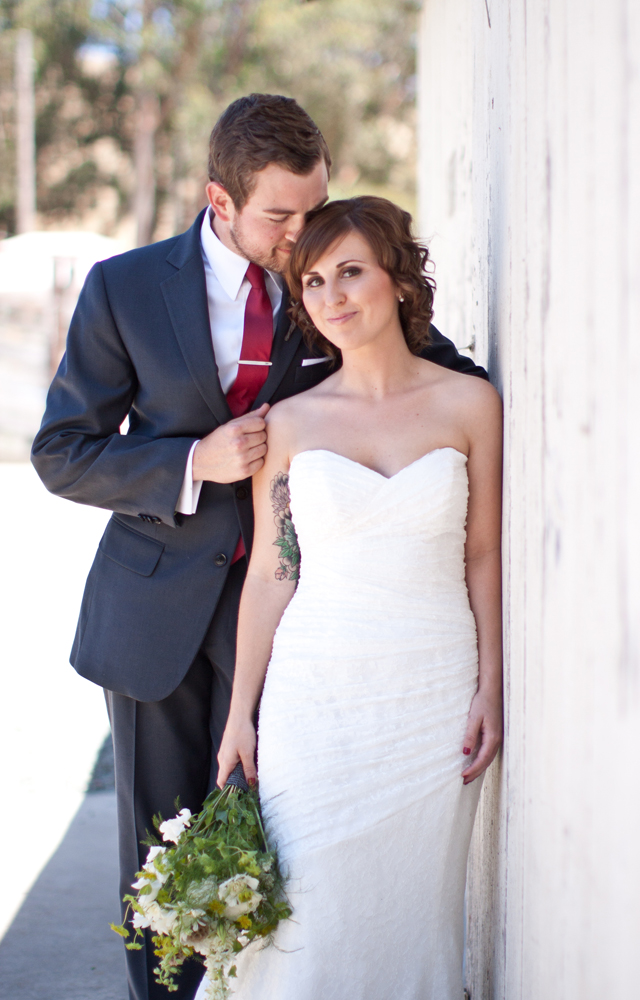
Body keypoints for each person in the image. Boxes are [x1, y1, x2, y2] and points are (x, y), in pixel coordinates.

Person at [31, 95, 488, 1000]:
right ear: (220, 201)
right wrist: (188, 462)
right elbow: (62, 452)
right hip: (156, 610)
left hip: (306, 617)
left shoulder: (326, 272)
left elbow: (429, 371)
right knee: (168, 849)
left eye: (312, 209)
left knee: (282, 836)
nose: (299, 238)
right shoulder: (124, 288)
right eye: (280, 216)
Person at [214, 196, 503, 1000]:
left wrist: (491, 685)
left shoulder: (470, 405)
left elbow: (482, 556)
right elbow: (273, 572)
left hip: (429, 694)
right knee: (307, 910)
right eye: (313, 282)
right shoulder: (292, 424)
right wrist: (242, 714)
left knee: (406, 913)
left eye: (351, 273)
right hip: (315, 698)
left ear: (399, 283)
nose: (333, 297)